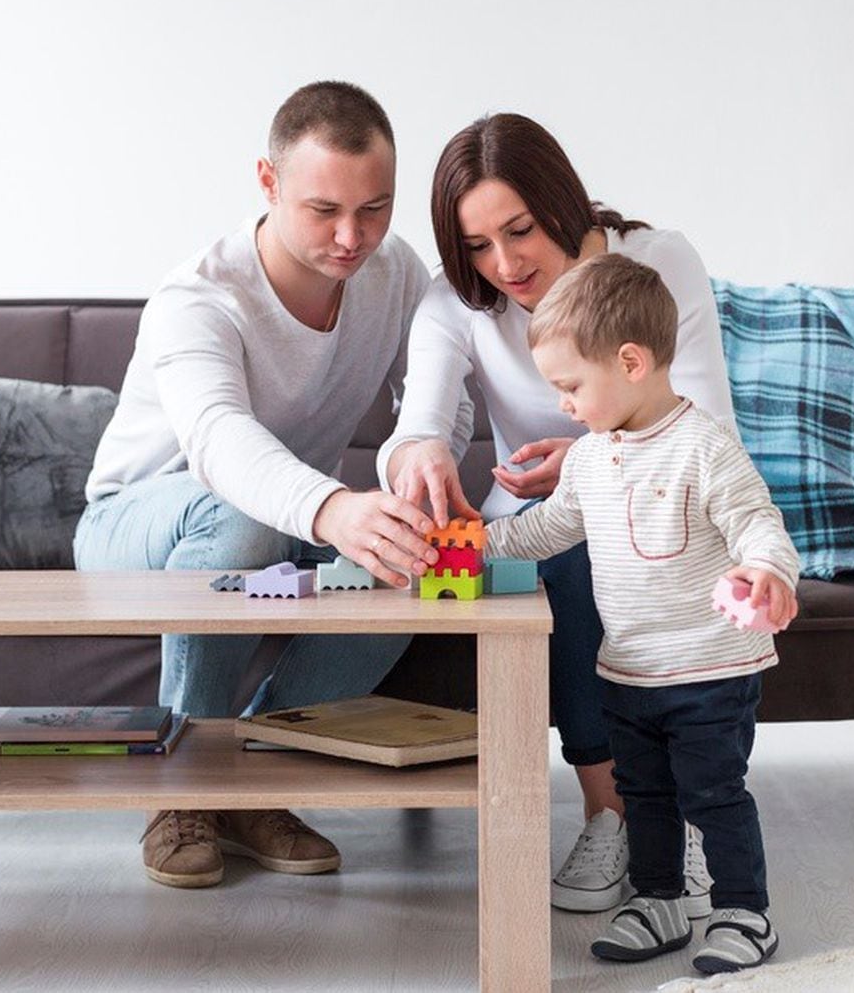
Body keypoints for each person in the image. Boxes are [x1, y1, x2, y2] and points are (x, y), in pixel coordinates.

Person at [75, 81, 471, 889]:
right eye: (323, 210)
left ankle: (258, 775)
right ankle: (183, 787)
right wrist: (333, 506)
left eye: (374, 209)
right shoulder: (199, 297)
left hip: (273, 518)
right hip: (137, 523)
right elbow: (219, 445)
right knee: (238, 518)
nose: (351, 236)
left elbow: (437, 400)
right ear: (267, 182)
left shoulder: (393, 276)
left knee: (410, 562)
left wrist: (409, 470)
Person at [378, 113, 738, 915]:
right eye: (475, 244)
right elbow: (414, 429)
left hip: (665, 502)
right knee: (559, 555)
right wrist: (420, 458)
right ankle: (614, 811)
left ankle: (662, 808)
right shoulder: (456, 305)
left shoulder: (656, 264)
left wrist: (587, 459)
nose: (503, 263)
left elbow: (707, 422)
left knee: (594, 540)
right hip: (544, 523)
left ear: (561, 202)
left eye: (519, 229)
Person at [486, 253, 799, 973]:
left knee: (712, 794)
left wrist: (765, 571)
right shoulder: (592, 457)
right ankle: (657, 899)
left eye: (570, 385)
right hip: (627, 671)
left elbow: (758, 524)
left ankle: (743, 911)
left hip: (709, 668)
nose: (562, 403)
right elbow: (547, 529)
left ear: (629, 361)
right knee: (644, 795)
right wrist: (474, 546)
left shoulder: (704, 447)